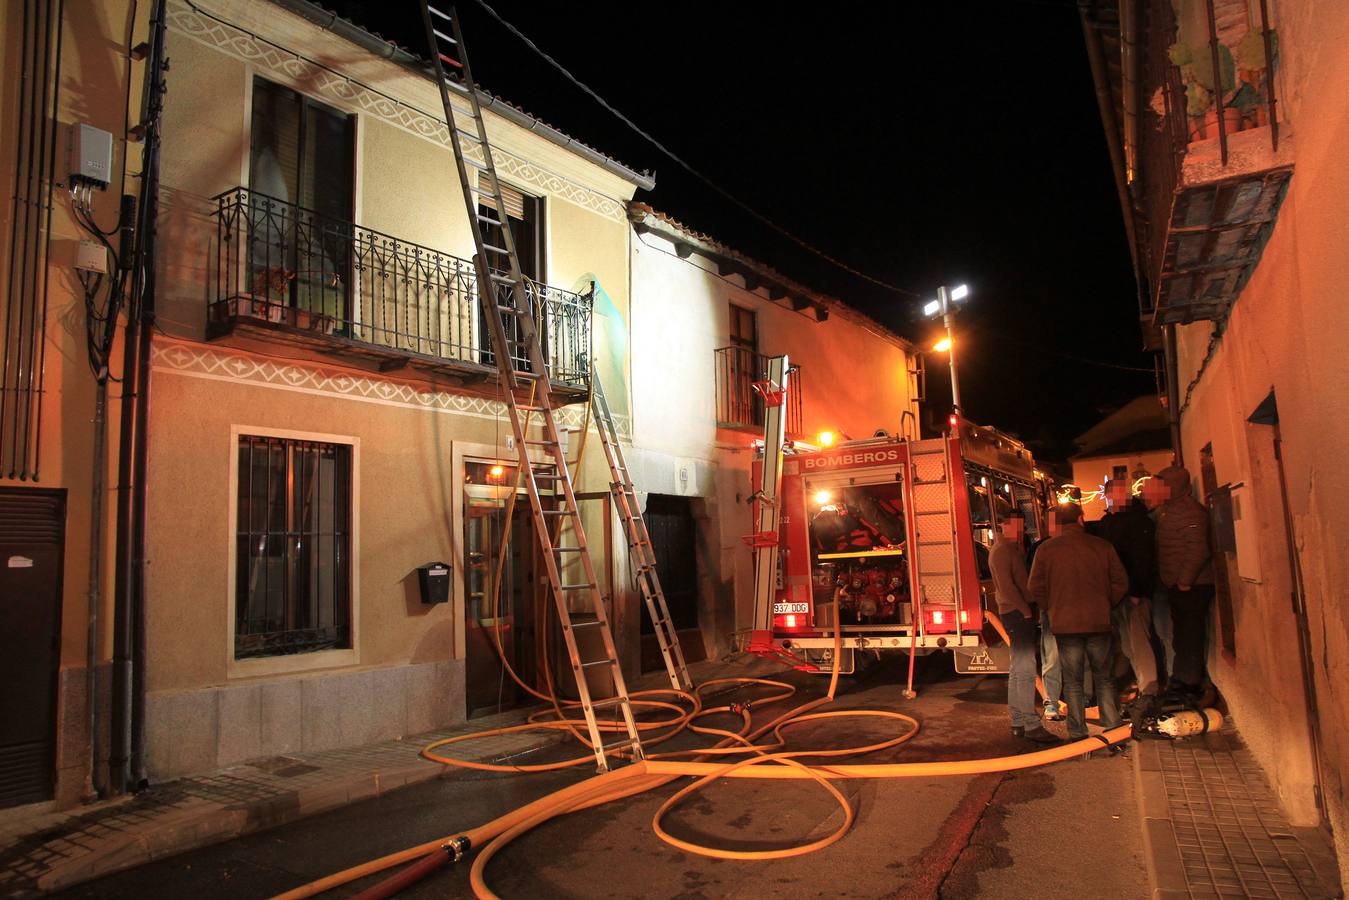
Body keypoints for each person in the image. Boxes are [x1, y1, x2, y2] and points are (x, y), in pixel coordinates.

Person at [1028, 501, 1128, 746]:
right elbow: (1120, 582)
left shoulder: (1046, 550)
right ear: (1080, 520)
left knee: (1072, 680)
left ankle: (1077, 733)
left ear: (1057, 523)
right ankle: (1113, 727)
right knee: (1104, 677)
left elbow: (1035, 587)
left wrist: (1051, 608)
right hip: (1098, 622)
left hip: (1065, 625)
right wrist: (1107, 604)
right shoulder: (1102, 546)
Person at [990, 512, 1057, 743]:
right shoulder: (1004, 551)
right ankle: (1030, 724)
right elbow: (1008, 588)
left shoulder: (1004, 549)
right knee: (1026, 669)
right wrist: (1026, 610)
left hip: (1014, 613)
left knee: (1018, 668)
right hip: (1017, 614)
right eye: (1018, 526)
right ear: (1006, 525)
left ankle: (1019, 720)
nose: (1021, 531)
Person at [1153, 464, 1215, 699]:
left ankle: (1189, 681)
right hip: (1178, 585)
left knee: (1190, 633)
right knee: (1181, 633)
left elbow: (1197, 549)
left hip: (1193, 586)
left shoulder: (1189, 512)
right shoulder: (1169, 511)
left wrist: (1185, 581)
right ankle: (1182, 678)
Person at [1095, 479, 1161, 695]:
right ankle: (1143, 686)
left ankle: (1149, 689)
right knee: (1128, 645)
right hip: (1120, 594)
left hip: (1133, 594)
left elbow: (1143, 559)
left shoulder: (1137, 521)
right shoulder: (1113, 521)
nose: (1111, 500)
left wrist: (1137, 591)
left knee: (1139, 643)